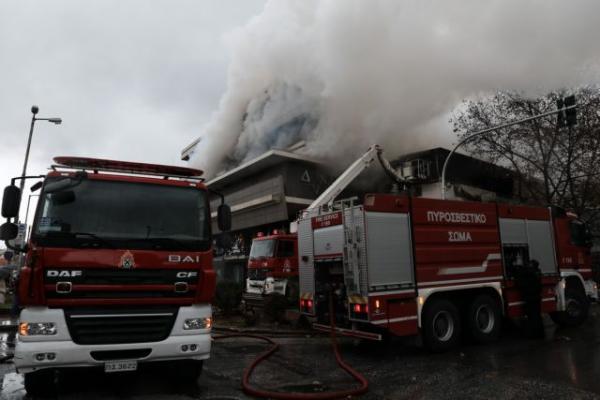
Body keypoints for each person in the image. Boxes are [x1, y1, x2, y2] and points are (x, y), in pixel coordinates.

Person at [515, 259, 544, 338]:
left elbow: (520, 283)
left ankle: (534, 334)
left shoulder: (528, 273)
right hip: (536, 297)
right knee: (537, 316)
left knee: (532, 317)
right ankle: (540, 333)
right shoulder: (537, 272)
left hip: (530, 298)